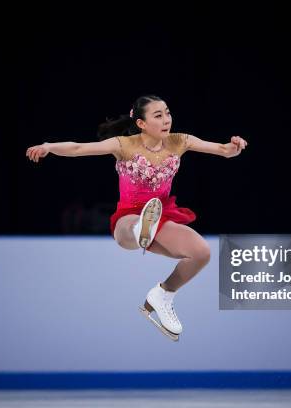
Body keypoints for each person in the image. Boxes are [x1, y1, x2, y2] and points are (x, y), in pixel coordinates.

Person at [26, 95, 248, 341]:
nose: (166, 120)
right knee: (131, 227)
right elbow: (79, 148)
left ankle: (163, 294)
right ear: (141, 123)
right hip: (128, 216)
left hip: (161, 214)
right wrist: (48, 146)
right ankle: (142, 229)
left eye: (167, 113)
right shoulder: (125, 145)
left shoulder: (180, 141)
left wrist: (234, 147)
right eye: (158, 115)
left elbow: (224, 151)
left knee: (202, 252)